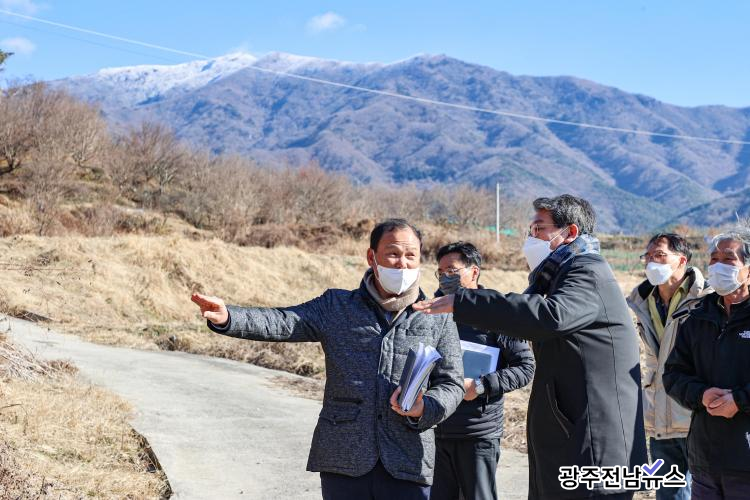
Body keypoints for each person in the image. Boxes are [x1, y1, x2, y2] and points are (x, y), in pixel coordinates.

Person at [191, 219, 465, 500]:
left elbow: (452, 383)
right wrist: (229, 317)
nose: (402, 264)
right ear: (372, 257)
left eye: (411, 255)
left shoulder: (438, 317)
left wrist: (424, 407)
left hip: (408, 460)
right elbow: (284, 321)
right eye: (393, 254)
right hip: (343, 456)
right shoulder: (337, 306)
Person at [414, 194, 648, 500]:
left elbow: (550, 316)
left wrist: (466, 302)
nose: (531, 238)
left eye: (539, 229)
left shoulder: (587, 271)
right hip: (575, 436)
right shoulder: (561, 276)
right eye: (530, 230)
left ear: (570, 232)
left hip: (594, 444)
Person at [430, 241, 535, 500]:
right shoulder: (431, 311)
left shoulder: (497, 314)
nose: (445, 277)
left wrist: (479, 386)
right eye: (440, 272)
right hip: (435, 427)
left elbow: (525, 368)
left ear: (474, 272)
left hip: (477, 432)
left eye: (452, 271)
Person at [663, 229, 750, 499]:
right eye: (713, 259)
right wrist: (701, 394)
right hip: (705, 460)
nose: (718, 266)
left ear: (748, 270)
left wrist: (739, 400)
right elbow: (673, 374)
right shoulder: (697, 317)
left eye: (729, 259)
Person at [626, 233, 710, 500]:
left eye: (660, 255)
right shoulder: (642, 300)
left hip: (697, 414)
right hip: (659, 415)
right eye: (648, 256)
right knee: (669, 493)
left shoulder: (707, 299)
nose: (652, 261)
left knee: (707, 490)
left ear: (682, 260)